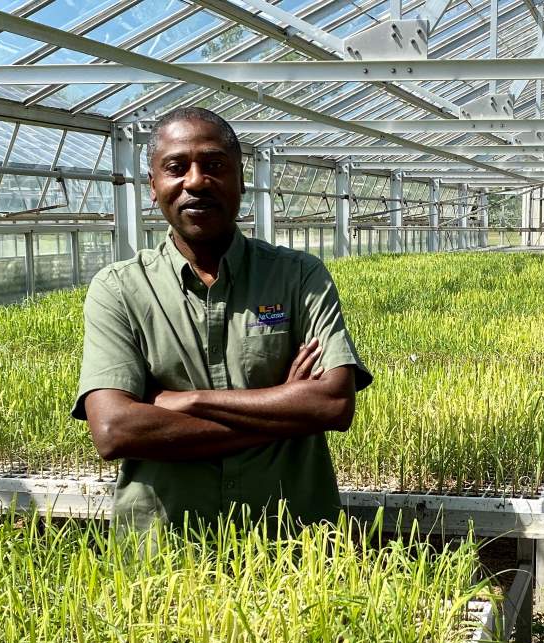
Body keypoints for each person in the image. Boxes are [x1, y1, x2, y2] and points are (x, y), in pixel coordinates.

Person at [71, 106, 372, 530]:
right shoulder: (119, 288)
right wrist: (284, 408)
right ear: (152, 186)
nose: (195, 181)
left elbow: (333, 404)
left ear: (241, 180)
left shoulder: (299, 276)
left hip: (292, 541)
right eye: (176, 167)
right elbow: (114, 430)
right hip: (164, 553)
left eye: (214, 165)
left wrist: (186, 401)